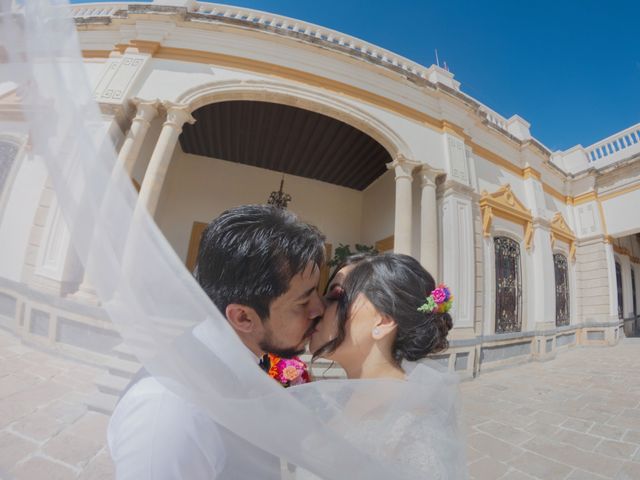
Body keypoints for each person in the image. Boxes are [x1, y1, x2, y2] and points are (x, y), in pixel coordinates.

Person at [108, 204, 326, 479]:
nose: (319, 309)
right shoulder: (171, 413)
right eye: (303, 301)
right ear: (243, 318)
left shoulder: (246, 360)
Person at [300, 252, 466, 478]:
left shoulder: (415, 430)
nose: (318, 307)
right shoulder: (335, 398)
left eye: (337, 295)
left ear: (384, 321)